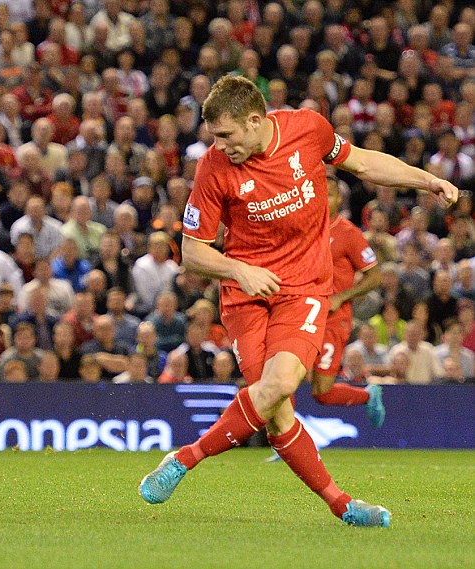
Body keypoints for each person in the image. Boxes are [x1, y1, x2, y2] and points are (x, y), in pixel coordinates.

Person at [139, 75, 457, 527]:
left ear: (255, 120)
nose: (220, 146)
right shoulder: (214, 168)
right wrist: (239, 270)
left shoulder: (309, 129)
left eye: (227, 135)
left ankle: (184, 460)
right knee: (275, 409)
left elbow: (363, 163)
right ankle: (342, 505)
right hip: (246, 294)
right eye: (214, 138)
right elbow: (192, 251)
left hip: (305, 290)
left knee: (279, 387)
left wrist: (427, 180)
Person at [309, 179, 385, 425]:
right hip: (303, 316)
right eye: (319, 193)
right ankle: (286, 441)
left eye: (330, 194)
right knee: (285, 378)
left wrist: (340, 297)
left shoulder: (348, 233)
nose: (324, 199)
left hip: (333, 320)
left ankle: (367, 394)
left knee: (322, 392)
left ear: (339, 199)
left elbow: (374, 276)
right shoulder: (303, 228)